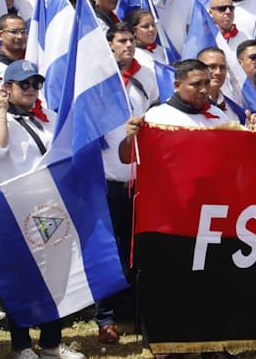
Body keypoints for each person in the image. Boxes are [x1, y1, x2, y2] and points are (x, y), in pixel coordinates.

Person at [0, 60, 84, 358]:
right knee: (20, 278)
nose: (31, 89)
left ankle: (51, 342)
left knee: (56, 275)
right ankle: (21, 345)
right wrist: (1, 111)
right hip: (12, 210)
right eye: (23, 84)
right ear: (7, 87)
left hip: (50, 207)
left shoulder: (48, 117)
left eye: (35, 84)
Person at [96, 23, 158, 346]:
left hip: (140, 178)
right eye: (122, 41)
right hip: (107, 178)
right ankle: (105, 319)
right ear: (109, 45)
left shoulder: (145, 76)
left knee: (140, 250)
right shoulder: (96, 79)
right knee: (110, 250)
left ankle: (137, 314)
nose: (129, 46)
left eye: (132, 41)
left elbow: (157, 114)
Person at [198, 47, 241, 123]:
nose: (218, 72)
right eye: (212, 67)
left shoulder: (232, 107)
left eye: (222, 67)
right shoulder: (187, 104)